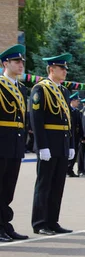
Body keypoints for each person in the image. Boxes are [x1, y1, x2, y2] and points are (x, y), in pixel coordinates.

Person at [30, 53, 75, 235]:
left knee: (57, 185)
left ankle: (52, 221)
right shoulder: (41, 89)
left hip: (62, 144)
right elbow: (36, 119)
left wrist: (71, 144)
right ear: (51, 69)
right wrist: (42, 145)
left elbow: (68, 121)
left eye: (65, 68)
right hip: (48, 143)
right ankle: (40, 222)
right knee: (44, 184)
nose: (65, 71)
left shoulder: (63, 91)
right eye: (61, 68)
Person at [0, 44, 29, 241]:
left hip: (15, 143)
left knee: (8, 188)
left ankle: (4, 224)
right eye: (16, 62)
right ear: (5, 63)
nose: (20, 65)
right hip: (1, 140)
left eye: (21, 62)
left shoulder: (20, 88)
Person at [67, 92, 82, 177]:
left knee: (74, 153)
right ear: (72, 101)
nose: (78, 103)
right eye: (77, 101)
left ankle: (70, 169)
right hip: (69, 135)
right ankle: (66, 169)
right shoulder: (68, 110)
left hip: (75, 135)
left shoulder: (77, 111)